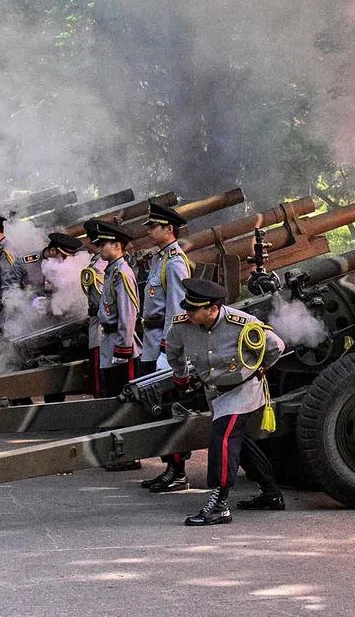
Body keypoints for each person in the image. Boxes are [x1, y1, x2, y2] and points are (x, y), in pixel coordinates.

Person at [168, 278, 286, 526]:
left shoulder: (242, 324)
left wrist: (258, 369)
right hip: (215, 393)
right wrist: (181, 377)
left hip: (243, 391)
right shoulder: (182, 326)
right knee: (240, 444)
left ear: (212, 309)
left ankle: (219, 504)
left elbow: (276, 345)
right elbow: (174, 351)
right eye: (186, 307)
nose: (187, 312)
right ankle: (271, 494)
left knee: (223, 439)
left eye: (193, 309)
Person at [139, 202, 193, 493]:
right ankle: (169, 469)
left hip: (163, 344)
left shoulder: (174, 262)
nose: (149, 230)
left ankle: (179, 471)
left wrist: (168, 348)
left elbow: (178, 309)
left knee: (171, 408)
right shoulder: (160, 259)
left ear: (168, 229)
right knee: (158, 409)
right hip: (151, 341)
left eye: (153, 226)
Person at [92, 220, 143, 471]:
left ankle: (128, 454)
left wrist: (122, 349)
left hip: (121, 346)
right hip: (110, 341)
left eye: (104, 244)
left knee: (125, 402)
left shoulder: (122, 273)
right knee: (114, 399)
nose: (100, 247)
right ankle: (118, 450)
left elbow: (128, 314)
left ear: (118, 246)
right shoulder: (112, 271)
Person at [80, 221, 107, 397]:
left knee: (100, 378)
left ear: (92, 241)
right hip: (100, 324)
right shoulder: (97, 263)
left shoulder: (98, 267)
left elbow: (99, 301)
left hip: (100, 327)